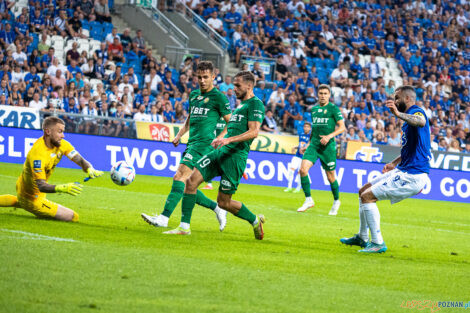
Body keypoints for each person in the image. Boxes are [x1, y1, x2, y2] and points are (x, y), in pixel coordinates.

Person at [163, 71, 266, 239]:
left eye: (238, 85)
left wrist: (229, 140)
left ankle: (254, 220)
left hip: (235, 157)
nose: (235, 88)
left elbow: (254, 132)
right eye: (234, 85)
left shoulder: (255, 104)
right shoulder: (240, 105)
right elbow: (233, 129)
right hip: (220, 152)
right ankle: (184, 226)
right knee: (190, 182)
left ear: (249, 85)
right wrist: (221, 139)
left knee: (223, 202)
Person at [141, 61, 232, 231]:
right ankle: (216, 207)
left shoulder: (219, 98)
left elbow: (232, 122)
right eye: (199, 77)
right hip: (192, 144)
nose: (202, 80)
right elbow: (190, 119)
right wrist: (179, 134)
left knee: (179, 176)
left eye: (206, 77)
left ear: (213, 77)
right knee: (187, 184)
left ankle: (164, 218)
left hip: (205, 145)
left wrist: (220, 137)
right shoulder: (194, 95)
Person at [340, 85, 431, 253]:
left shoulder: (417, 112)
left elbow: (421, 121)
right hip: (402, 169)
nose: (395, 101)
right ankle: (362, 237)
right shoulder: (407, 123)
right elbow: (410, 149)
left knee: (368, 197)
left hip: (413, 175)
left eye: (397, 98)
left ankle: (377, 243)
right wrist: (394, 163)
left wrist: (397, 114)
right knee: (363, 191)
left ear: (408, 99)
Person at [0, 117, 103, 221]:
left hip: (25, 186)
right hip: (31, 197)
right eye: (60, 132)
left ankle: (22, 202)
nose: (63, 135)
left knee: (20, 201)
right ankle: (27, 204)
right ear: (48, 131)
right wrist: (62, 188)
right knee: (73, 217)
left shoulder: (61, 144)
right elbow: (41, 185)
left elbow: (79, 160)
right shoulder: (38, 154)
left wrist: (90, 168)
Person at [296, 84, 346, 215]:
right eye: (321, 93)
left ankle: (336, 201)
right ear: (317, 95)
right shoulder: (314, 109)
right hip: (314, 146)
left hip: (327, 147)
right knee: (302, 170)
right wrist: (308, 143)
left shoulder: (333, 109)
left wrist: (329, 136)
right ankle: (308, 200)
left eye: (325, 93)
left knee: (330, 177)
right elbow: (314, 129)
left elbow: (342, 127)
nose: (323, 96)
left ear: (329, 95)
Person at [284, 122, 311, 193]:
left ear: (310, 128)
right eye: (305, 126)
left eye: (307, 127)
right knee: (291, 170)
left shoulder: (311, 136)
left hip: (304, 157)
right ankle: (289, 187)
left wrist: (305, 150)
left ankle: (298, 187)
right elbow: (301, 145)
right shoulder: (301, 135)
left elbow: (309, 146)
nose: (306, 128)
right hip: (297, 155)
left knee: (300, 172)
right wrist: (295, 147)